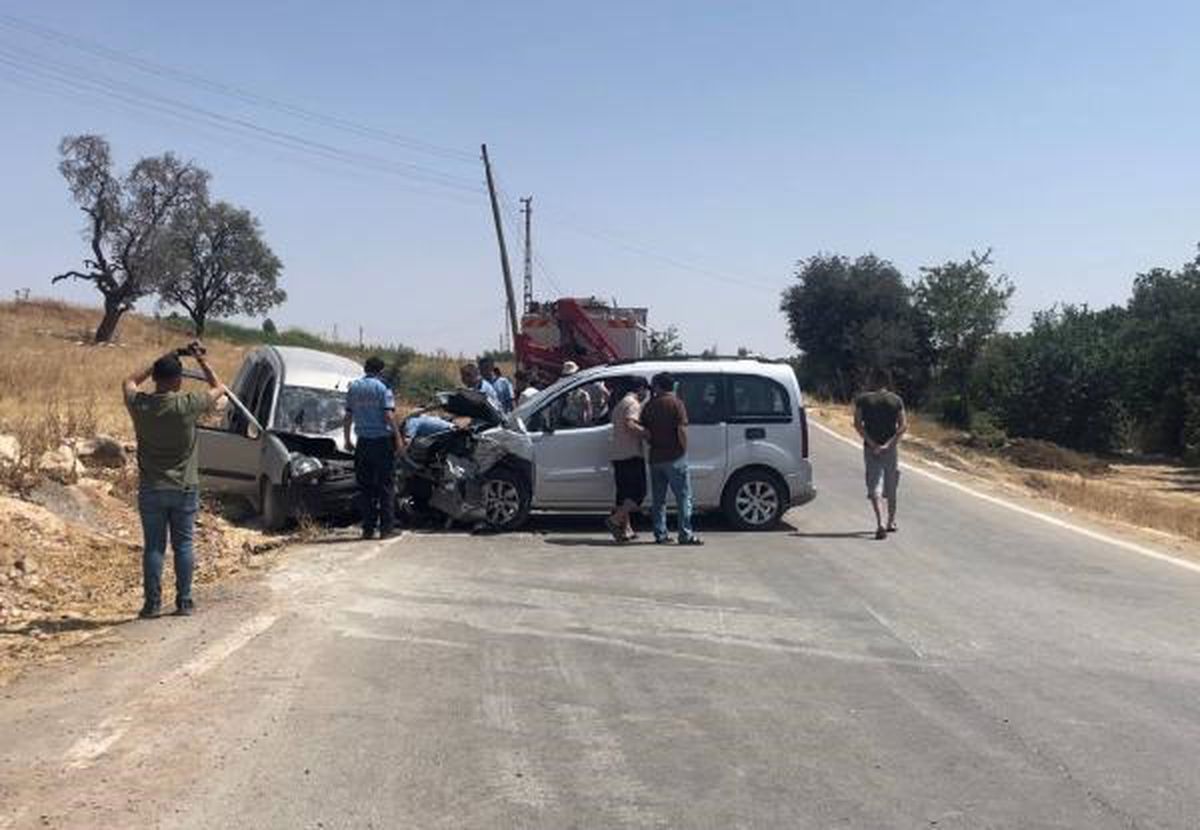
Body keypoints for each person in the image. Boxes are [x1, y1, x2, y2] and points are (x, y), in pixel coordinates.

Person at [123, 341, 226, 618]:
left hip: (152, 488)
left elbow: (130, 381)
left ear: (155, 378)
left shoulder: (140, 405)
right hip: (184, 487)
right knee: (183, 544)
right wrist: (200, 359)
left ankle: (152, 604)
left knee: (154, 547)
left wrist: (166, 354)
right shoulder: (187, 404)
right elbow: (219, 388)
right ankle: (185, 600)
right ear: (179, 381)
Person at [640, 372, 702, 545]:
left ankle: (660, 534)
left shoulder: (649, 405)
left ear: (658, 386)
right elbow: (681, 429)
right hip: (675, 457)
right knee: (683, 497)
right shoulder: (677, 404)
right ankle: (685, 534)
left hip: (655, 458)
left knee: (659, 500)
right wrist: (684, 450)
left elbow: (644, 431)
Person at [343, 356, 402, 540]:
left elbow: (348, 417)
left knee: (365, 487)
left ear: (366, 369)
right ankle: (386, 529)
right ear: (380, 370)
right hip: (382, 442)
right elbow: (388, 415)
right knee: (385, 486)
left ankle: (367, 529)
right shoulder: (382, 388)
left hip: (363, 442)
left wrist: (347, 439)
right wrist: (398, 438)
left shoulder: (354, 388)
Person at [853, 368, 908, 540]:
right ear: (886, 382)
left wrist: (872, 443)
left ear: (873, 380)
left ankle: (880, 523)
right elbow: (903, 426)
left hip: (871, 449)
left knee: (874, 486)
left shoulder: (862, 400)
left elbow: (857, 424)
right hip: (890, 449)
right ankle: (891, 521)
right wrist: (888, 445)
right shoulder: (896, 400)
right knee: (891, 485)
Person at [605, 377, 649, 542]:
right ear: (640, 389)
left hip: (618, 455)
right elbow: (630, 425)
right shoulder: (633, 404)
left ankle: (625, 530)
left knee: (623, 496)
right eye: (646, 390)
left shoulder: (620, 404)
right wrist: (646, 433)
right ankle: (614, 520)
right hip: (631, 455)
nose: (646, 394)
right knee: (639, 493)